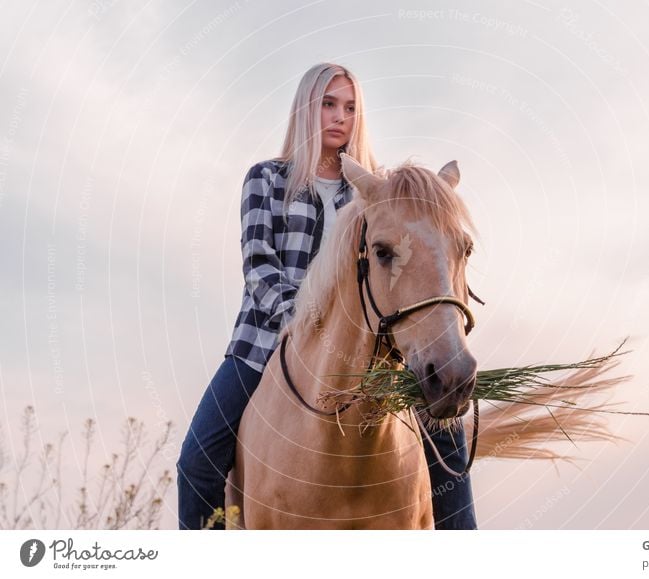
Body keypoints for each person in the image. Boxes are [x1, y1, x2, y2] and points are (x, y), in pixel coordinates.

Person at [176, 63, 477, 530]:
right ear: (305, 110)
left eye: (351, 108)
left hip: (368, 352)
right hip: (262, 343)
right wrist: (303, 322)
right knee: (197, 460)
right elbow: (259, 266)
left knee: (450, 449)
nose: (341, 117)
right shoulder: (266, 179)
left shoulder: (377, 191)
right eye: (329, 104)